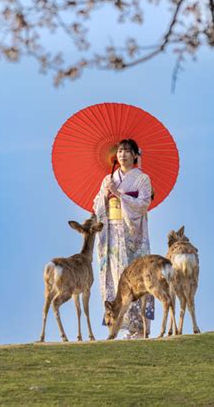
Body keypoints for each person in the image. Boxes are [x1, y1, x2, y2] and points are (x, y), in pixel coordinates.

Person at [93, 138, 154, 338]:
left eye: (128, 151)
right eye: (120, 151)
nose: (123, 154)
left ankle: (140, 328)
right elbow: (97, 205)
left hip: (132, 234)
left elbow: (143, 203)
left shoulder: (142, 179)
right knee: (114, 276)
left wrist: (118, 194)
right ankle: (118, 325)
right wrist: (105, 194)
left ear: (135, 155)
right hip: (111, 232)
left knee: (136, 277)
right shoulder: (108, 179)